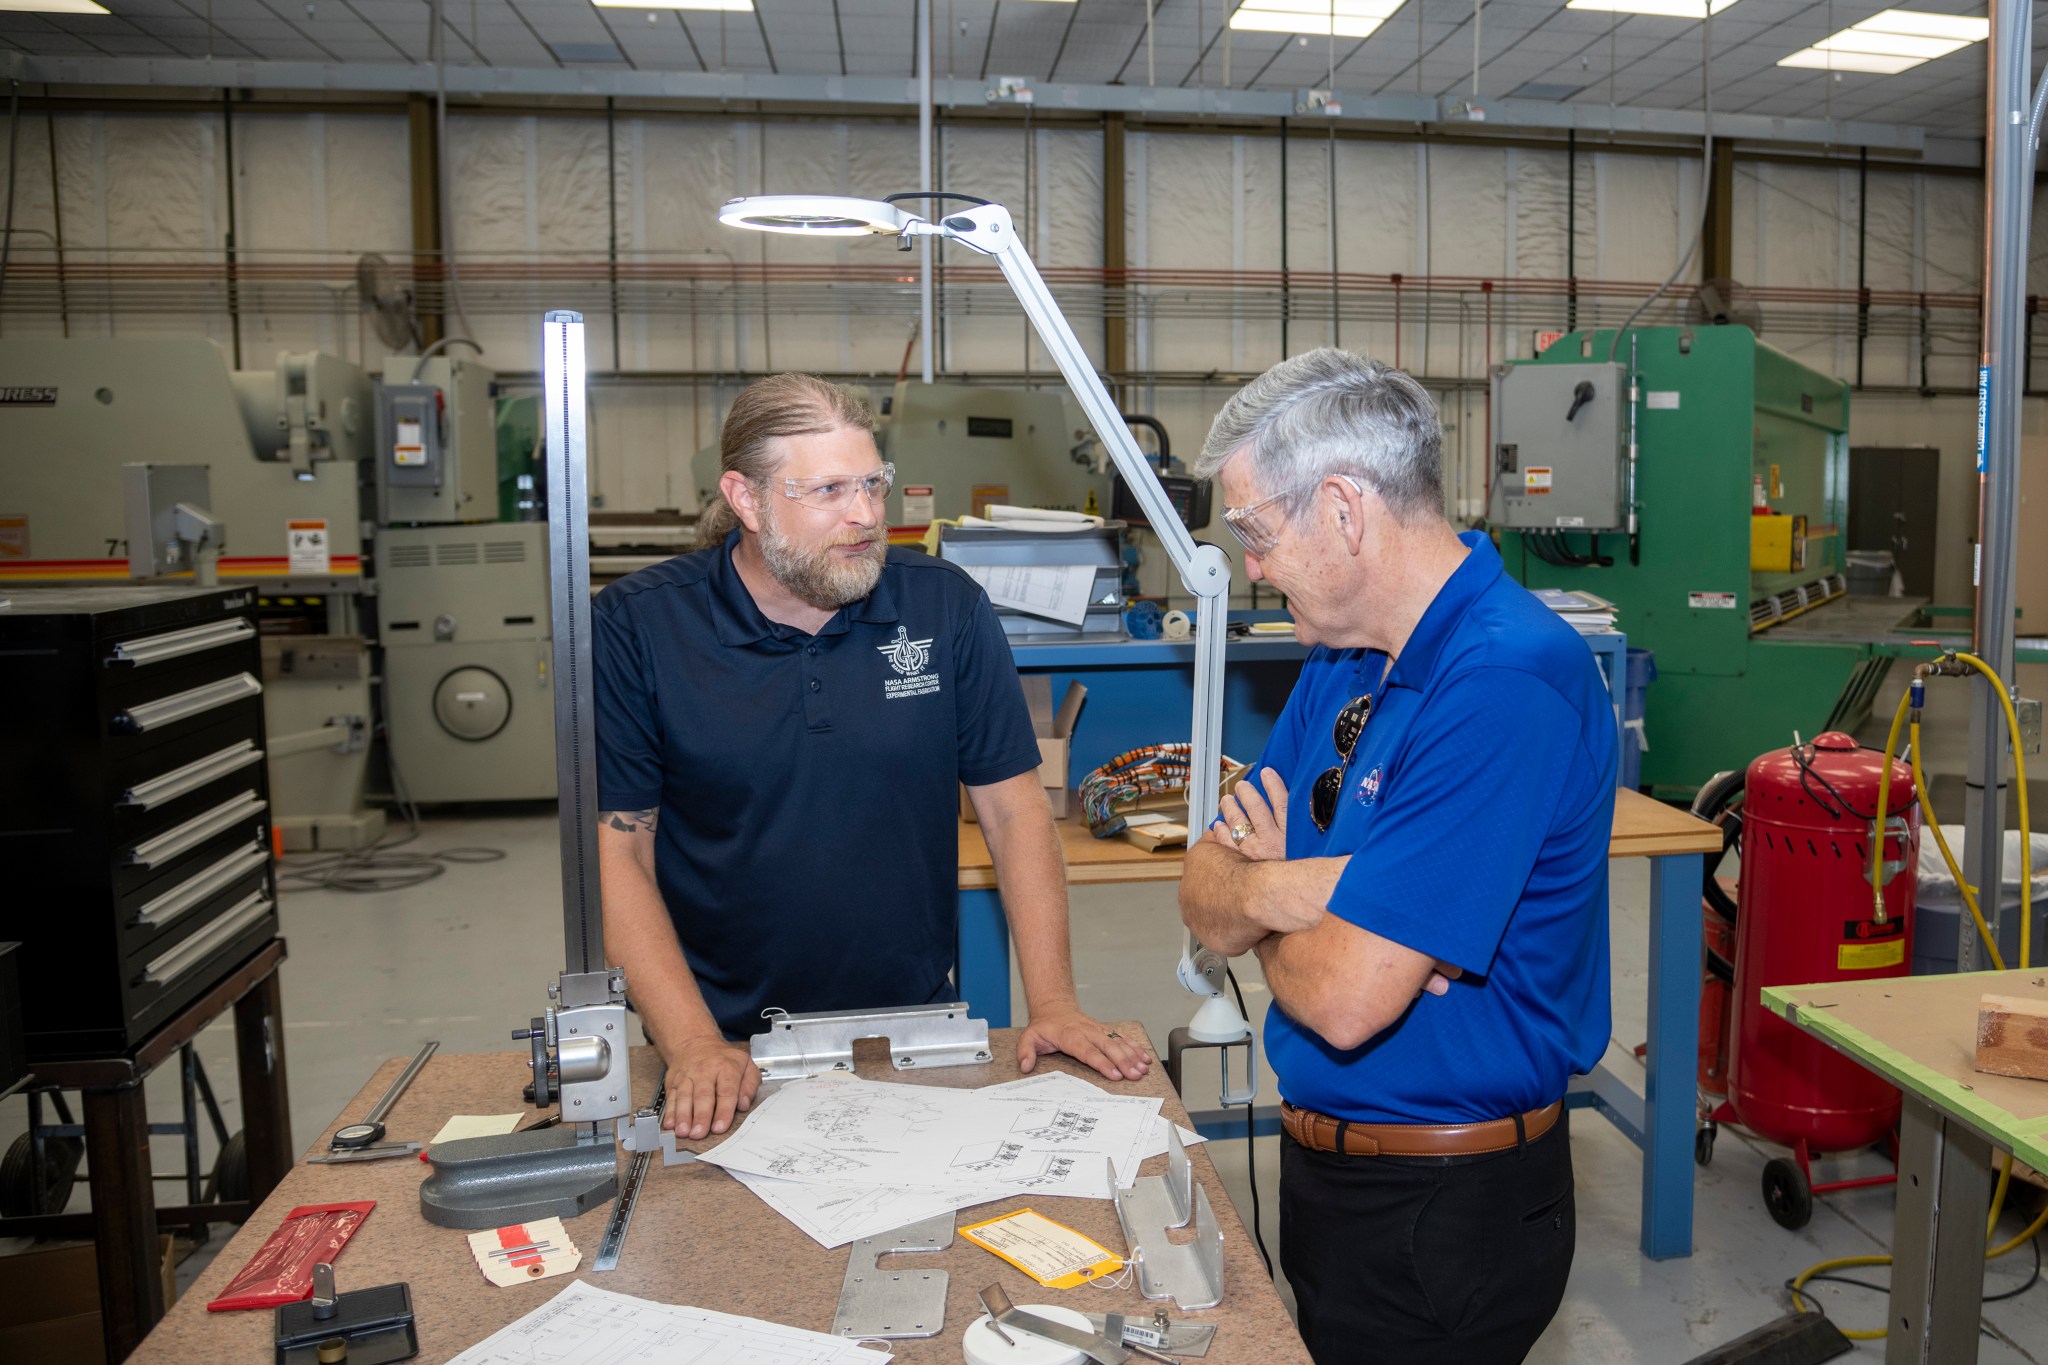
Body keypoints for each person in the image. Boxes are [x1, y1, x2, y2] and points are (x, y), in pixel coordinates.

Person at [1178, 349, 1617, 1364]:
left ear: (1340, 508)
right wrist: (1311, 887)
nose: (1248, 565)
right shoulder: (1341, 661)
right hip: (1331, 1178)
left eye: (1252, 529)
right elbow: (1202, 892)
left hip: (1443, 1211)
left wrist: (1267, 911)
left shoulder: (1503, 681)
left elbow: (1341, 1001)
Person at [594, 373, 1149, 1142]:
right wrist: (690, 1041)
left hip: (915, 1031)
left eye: (872, 485)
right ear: (746, 499)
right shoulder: (638, 628)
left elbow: (1016, 811)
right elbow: (620, 856)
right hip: (724, 1044)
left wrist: (1053, 1003)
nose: (863, 516)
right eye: (826, 490)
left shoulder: (943, 605)